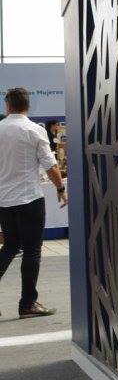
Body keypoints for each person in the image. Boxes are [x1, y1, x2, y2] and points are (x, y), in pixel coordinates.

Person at [0, 87, 66, 318]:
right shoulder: (34, 130)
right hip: (29, 199)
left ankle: (28, 303)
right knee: (32, 251)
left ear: (8, 105)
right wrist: (60, 189)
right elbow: (50, 165)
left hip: (4, 200)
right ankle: (28, 304)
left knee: (10, 246)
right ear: (27, 105)